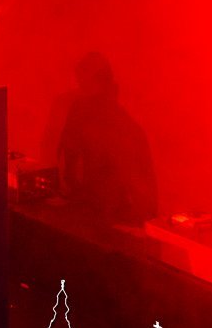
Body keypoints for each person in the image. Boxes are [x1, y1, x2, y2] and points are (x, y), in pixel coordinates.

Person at [57, 52, 158, 226]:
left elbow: (143, 196)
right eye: (81, 84)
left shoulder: (126, 130)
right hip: (92, 216)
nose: (81, 91)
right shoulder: (81, 113)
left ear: (101, 84)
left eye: (85, 85)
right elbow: (68, 166)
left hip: (114, 223)